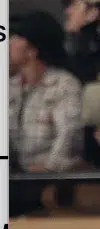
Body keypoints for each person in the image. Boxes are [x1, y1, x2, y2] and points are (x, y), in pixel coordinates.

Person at [10, 11, 84, 173]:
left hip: (51, 178)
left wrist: (48, 168)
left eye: (17, 37)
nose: (10, 42)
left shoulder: (63, 85)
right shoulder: (11, 86)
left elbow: (69, 136)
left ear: (32, 51)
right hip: (17, 176)